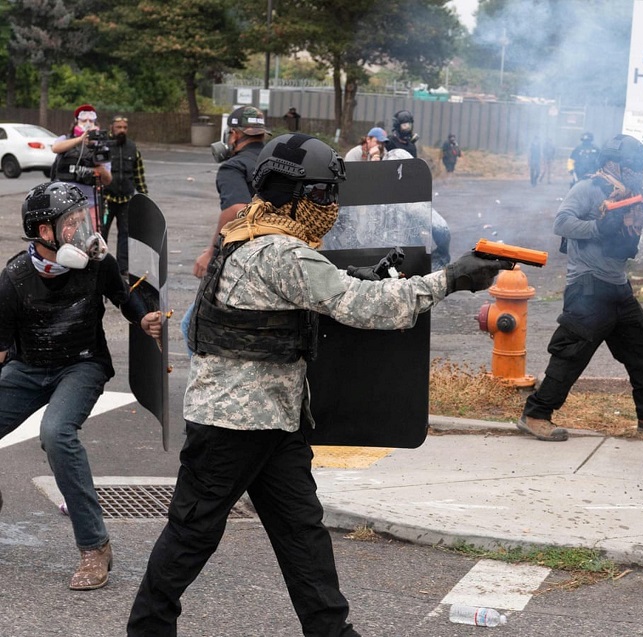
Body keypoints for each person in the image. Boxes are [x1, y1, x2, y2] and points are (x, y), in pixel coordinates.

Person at [126, 133, 509, 636]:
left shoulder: (244, 231)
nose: (329, 207)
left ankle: (331, 630)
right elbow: (366, 308)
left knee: (302, 533)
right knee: (192, 533)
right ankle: (147, 629)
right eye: (324, 195)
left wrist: (356, 276)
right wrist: (452, 278)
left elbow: (307, 290)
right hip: (233, 424)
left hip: (273, 418)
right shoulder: (285, 253)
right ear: (297, 194)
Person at [0, 181, 161, 590]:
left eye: (81, 218)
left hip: (82, 366)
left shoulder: (98, 263)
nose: (82, 229)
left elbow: (124, 298)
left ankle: (95, 548)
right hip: (29, 367)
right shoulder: (14, 278)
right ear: (44, 233)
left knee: (57, 434)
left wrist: (142, 319)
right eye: (70, 222)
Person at [517, 134, 643, 442]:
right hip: (587, 287)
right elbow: (561, 223)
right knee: (571, 354)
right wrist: (596, 227)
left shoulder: (637, 193)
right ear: (612, 163)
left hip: (617, 287)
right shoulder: (588, 189)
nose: (636, 172)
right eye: (631, 166)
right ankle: (535, 414)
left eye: (639, 166)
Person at [182, 106, 269, 352]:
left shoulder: (234, 167)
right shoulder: (275, 162)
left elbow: (236, 211)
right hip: (280, 253)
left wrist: (210, 253)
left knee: (192, 326)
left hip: (244, 259)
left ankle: (204, 388)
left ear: (233, 134)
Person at [51, 104, 113, 229]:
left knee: (90, 240)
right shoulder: (65, 139)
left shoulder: (101, 148)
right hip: (66, 201)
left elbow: (108, 180)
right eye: (84, 120)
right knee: (66, 237)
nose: (87, 123)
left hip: (90, 204)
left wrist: (100, 169)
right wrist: (80, 139)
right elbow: (55, 148)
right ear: (76, 122)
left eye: (91, 121)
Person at [102, 115, 149, 277]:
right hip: (106, 199)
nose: (122, 130)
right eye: (118, 127)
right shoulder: (104, 146)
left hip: (126, 199)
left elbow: (139, 175)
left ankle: (123, 268)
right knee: (101, 233)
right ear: (112, 128)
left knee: (125, 233)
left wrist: (144, 197)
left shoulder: (132, 148)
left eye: (124, 127)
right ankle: (101, 265)